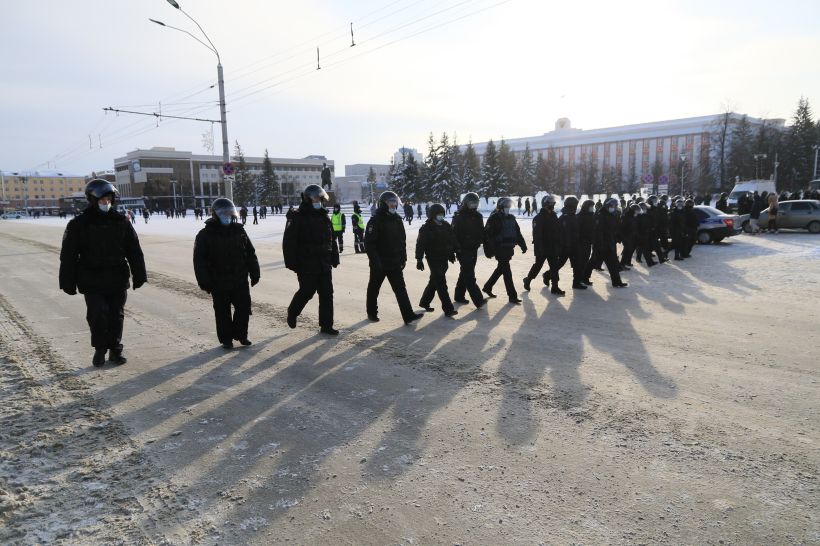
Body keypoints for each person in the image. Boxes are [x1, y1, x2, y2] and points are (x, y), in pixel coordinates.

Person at [59, 179, 147, 367]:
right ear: (92, 199)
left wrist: (139, 274)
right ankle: (100, 349)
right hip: (92, 279)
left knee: (117, 314)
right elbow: (68, 255)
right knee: (97, 314)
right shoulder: (79, 224)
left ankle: (115, 349)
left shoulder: (121, 221)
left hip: (117, 276)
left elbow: (134, 249)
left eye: (109, 199)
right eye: (102, 199)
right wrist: (67, 281)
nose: (106, 202)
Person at [193, 198, 260, 349]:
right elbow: (199, 260)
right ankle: (226, 339)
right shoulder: (205, 234)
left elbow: (250, 253)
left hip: (239, 278)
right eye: (223, 213)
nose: (226, 215)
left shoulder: (240, 231)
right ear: (215, 214)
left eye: (229, 212)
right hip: (218, 280)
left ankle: (241, 335)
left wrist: (255, 272)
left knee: (243, 308)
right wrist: (204, 280)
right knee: (222, 312)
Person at [283, 185, 339, 335]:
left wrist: (334, 256)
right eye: (315, 198)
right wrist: (292, 262)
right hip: (306, 262)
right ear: (307, 198)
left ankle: (326, 326)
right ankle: (293, 312)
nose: (318, 200)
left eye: (319, 198)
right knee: (307, 291)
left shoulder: (323, 215)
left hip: (324, 262)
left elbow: (331, 238)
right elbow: (289, 241)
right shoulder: (298, 216)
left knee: (327, 294)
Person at [365, 191, 423, 324]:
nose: (393, 205)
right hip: (380, 262)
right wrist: (375, 262)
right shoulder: (376, 220)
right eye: (390, 202)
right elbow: (370, 244)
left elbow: (402, 241)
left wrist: (403, 258)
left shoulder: (397, 219)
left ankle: (408, 315)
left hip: (395, 262)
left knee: (400, 289)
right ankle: (372, 312)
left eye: (394, 202)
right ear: (383, 204)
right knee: (374, 288)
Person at [415, 204, 459, 317]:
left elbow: (452, 239)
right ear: (432, 215)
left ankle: (424, 302)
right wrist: (419, 259)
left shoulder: (446, 225)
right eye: (438, 214)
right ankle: (448, 309)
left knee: (434, 281)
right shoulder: (426, 228)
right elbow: (420, 244)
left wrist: (452, 253)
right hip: (433, 258)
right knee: (441, 283)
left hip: (444, 257)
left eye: (441, 213)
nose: (440, 216)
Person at [483, 197, 527, 304]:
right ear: (501, 207)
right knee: (507, 272)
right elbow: (487, 235)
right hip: (499, 248)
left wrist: (522, 244)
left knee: (501, 269)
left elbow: (517, 232)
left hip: (508, 248)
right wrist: (488, 250)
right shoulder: (494, 218)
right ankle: (512, 296)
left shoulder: (511, 218)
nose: (508, 208)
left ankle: (488, 287)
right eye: (506, 206)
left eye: (509, 206)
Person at [451, 192, 486, 308]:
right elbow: (453, 235)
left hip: (473, 249)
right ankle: (478, 299)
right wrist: (456, 249)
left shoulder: (478, 216)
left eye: (476, 204)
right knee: (469, 274)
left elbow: (482, 231)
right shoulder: (459, 216)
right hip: (463, 250)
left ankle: (459, 296)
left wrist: (483, 241)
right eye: (471, 204)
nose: (474, 206)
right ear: (466, 203)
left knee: (465, 273)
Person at [523, 194, 563, 295]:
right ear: (545, 204)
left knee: (554, 267)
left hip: (553, 246)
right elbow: (537, 235)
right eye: (551, 204)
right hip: (543, 247)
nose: (552, 205)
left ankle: (555, 286)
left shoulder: (554, 216)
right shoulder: (538, 218)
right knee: (538, 265)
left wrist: (559, 244)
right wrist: (539, 249)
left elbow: (558, 231)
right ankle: (528, 279)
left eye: (553, 203)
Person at [591, 198, 628, 287]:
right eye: (612, 206)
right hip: (602, 245)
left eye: (615, 206)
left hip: (609, 244)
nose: (614, 208)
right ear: (607, 206)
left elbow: (613, 229)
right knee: (592, 262)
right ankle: (582, 278)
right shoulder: (601, 215)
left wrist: (616, 237)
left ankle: (617, 282)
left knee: (613, 265)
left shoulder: (611, 215)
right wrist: (601, 244)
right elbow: (598, 231)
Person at [577, 199, 596, 285]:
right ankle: (580, 279)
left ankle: (584, 278)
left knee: (585, 261)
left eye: (592, 206)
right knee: (581, 262)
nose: (592, 208)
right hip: (581, 242)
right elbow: (578, 231)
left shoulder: (592, 216)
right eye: (590, 206)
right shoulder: (580, 216)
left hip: (589, 242)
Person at [619, 203, 639, 268]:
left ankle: (628, 262)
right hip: (627, 237)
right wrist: (624, 238)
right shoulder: (626, 217)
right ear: (634, 210)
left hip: (632, 236)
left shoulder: (634, 216)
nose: (638, 211)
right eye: (637, 210)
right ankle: (622, 264)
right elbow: (622, 228)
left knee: (631, 250)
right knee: (627, 251)